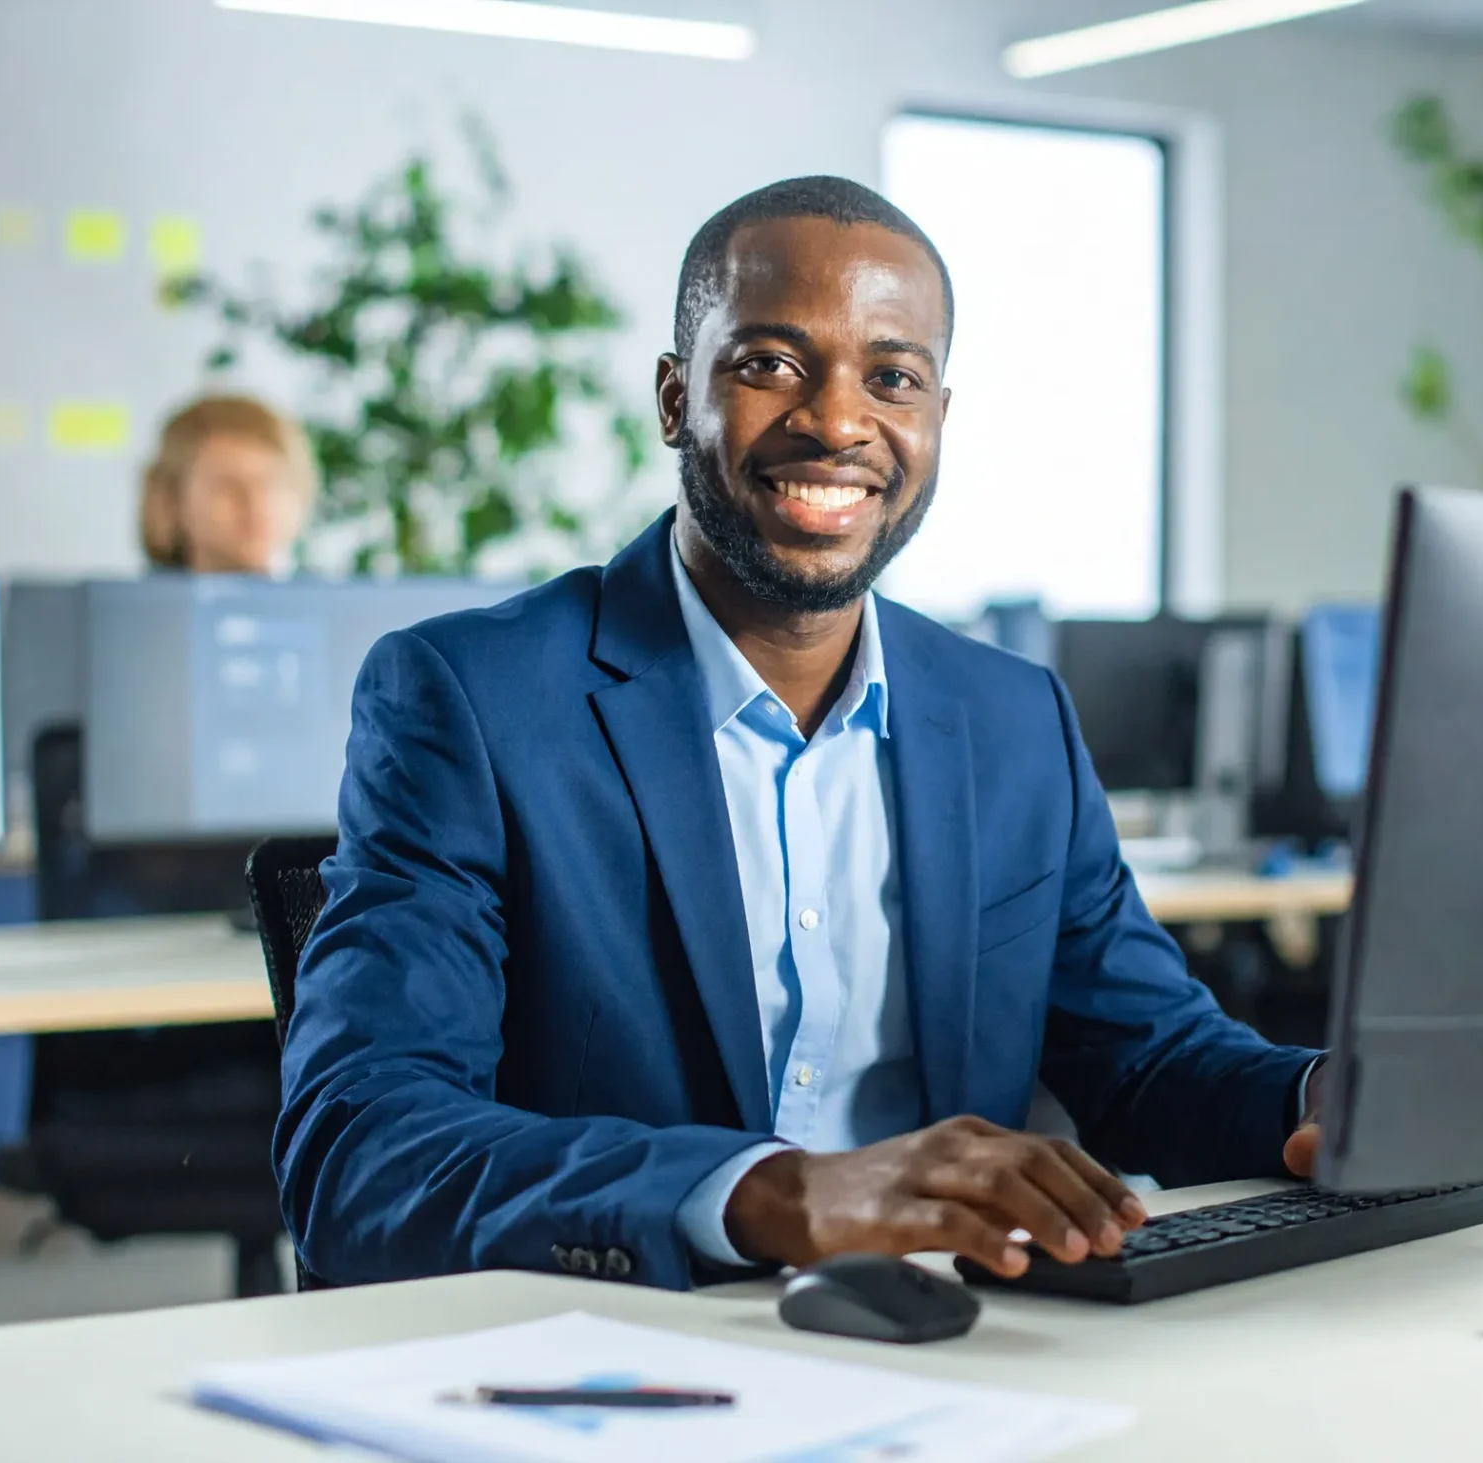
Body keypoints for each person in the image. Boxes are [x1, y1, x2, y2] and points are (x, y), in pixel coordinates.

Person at [277, 177, 1324, 1292]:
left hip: (965, 1351)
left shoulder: (1011, 720)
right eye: (770, 363)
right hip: (622, 1356)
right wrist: (772, 1192)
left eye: (892, 377)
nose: (836, 420)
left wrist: (1322, 1098)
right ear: (677, 399)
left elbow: (1151, 1061)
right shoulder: (474, 699)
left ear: (936, 420)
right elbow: (361, 1150)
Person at [137, 394, 316, 575]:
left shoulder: (329, 599)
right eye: (226, 485)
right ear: (172, 500)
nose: (255, 502)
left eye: (270, 483)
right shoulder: (135, 602)